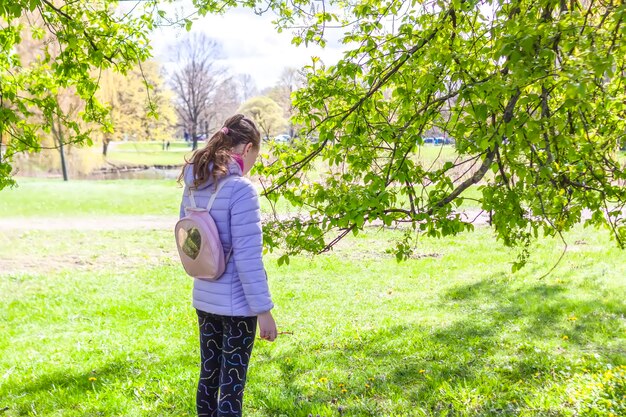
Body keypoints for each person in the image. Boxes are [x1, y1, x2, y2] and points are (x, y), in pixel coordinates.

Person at [178, 114, 277, 417]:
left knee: (208, 376)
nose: (254, 163)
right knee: (231, 388)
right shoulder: (241, 190)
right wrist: (264, 312)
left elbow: (190, 240)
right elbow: (248, 259)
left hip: (204, 298)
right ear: (247, 148)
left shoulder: (196, 180)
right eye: (256, 156)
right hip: (236, 307)